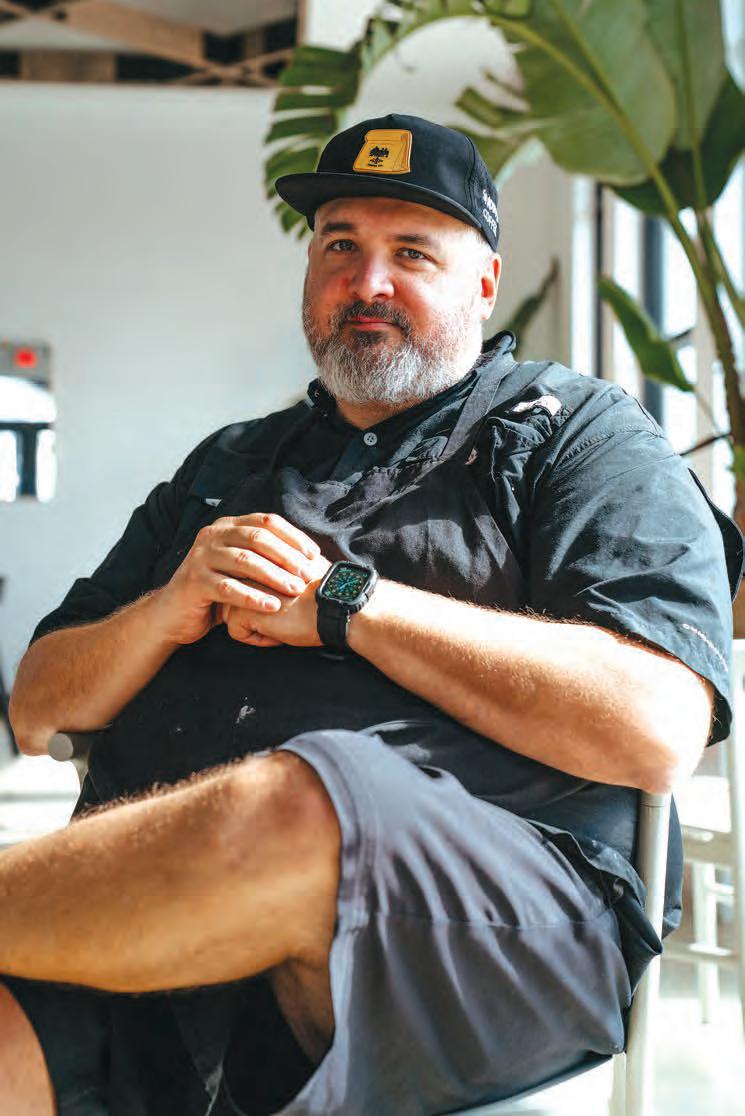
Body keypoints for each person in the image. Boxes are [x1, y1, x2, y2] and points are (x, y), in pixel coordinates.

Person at [4, 113, 743, 1116]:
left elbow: (654, 725)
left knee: (297, 803)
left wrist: (345, 602)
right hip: (169, 934)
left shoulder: (579, 436)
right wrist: (166, 610)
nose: (368, 282)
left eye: (413, 253)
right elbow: (37, 706)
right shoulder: (227, 464)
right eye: (339, 246)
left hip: (485, 930)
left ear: (484, 283)